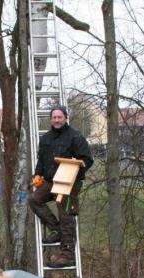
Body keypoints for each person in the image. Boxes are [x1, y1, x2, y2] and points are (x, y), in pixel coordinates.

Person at [28, 105, 94, 268]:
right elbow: (41, 161)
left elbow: (87, 160)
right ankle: (56, 230)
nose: (57, 120)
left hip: (69, 183)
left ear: (65, 118)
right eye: (54, 117)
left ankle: (67, 254)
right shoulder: (46, 139)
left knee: (65, 212)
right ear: (51, 119)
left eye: (60, 117)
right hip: (50, 182)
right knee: (34, 199)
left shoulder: (75, 137)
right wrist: (37, 175)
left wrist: (74, 172)